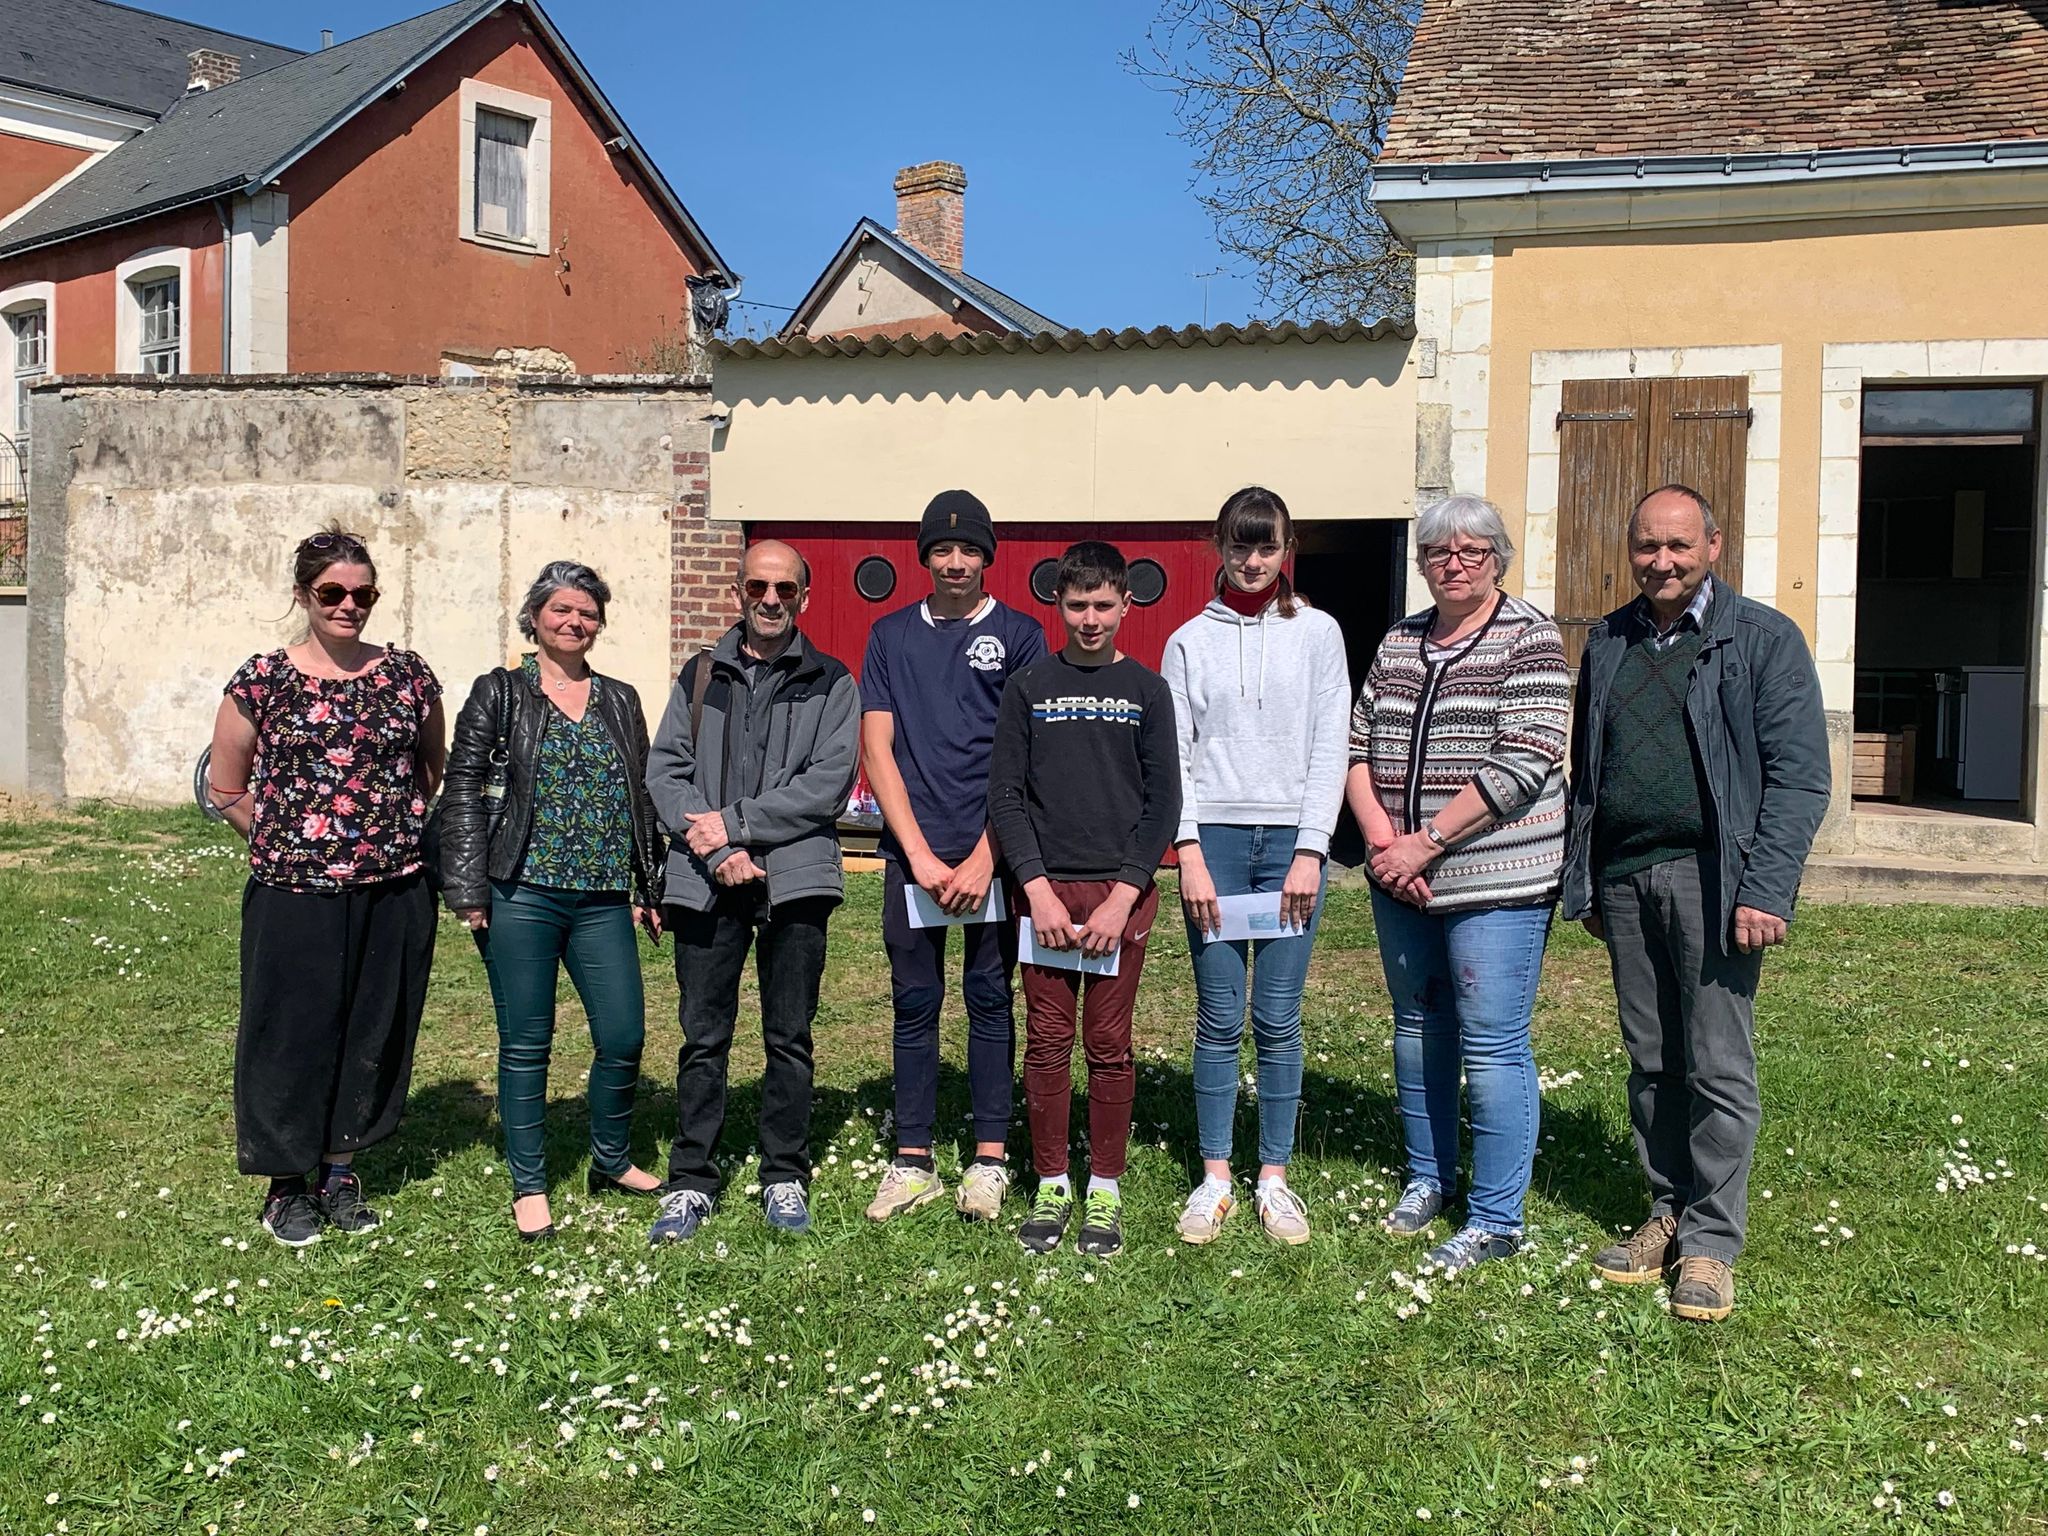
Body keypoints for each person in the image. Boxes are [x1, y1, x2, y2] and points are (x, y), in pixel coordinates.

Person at [1563, 484, 1829, 1323]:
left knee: (1716, 1063)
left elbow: (1798, 776)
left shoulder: (1761, 639)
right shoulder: (1608, 641)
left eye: (1679, 546)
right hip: (1626, 878)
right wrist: (1588, 876)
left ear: (1714, 545)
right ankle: (1667, 1208)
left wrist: (1765, 888)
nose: (1662, 561)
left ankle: (1712, 1244)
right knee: (1652, 1061)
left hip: (1715, 879)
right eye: (1648, 546)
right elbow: (1587, 770)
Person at [1345, 495, 1570, 1274]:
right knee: (1418, 1027)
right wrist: (1383, 844)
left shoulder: (1530, 638)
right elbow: (1357, 742)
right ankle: (1428, 1177)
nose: (1455, 564)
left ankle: (1497, 1218)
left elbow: (1525, 759)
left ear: (1499, 559)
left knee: (1494, 1042)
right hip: (1397, 876)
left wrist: (1427, 843)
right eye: (1440, 552)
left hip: (1496, 875)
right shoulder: (1402, 639)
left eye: (1474, 552)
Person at [206, 527, 445, 1247]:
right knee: (289, 1033)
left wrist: (378, 833)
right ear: (303, 596)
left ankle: (340, 1171)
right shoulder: (263, 680)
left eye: (362, 593)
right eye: (332, 593)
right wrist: (286, 840)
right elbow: (226, 785)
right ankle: (286, 1186)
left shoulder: (408, 677)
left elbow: (430, 771)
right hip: (293, 895)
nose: (349, 606)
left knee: (374, 1026)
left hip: (393, 888)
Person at [438, 562, 669, 1242]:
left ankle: (611, 1159)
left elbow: (642, 797)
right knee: (527, 1043)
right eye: (562, 610)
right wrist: (467, 887)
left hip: (601, 897)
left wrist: (647, 883)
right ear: (535, 616)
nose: (575, 622)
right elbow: (463, 790)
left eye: (588, 612)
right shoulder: (500, 693)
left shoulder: (621, 699)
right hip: (522, 892)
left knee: (624, 1035)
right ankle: (530, 1185)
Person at [643, 538, 860, 1243]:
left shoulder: (834, 681)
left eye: (785, 590)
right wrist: (719, 849)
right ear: (736, 592)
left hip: (795, 879)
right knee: (703, 1038)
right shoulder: (701, 676)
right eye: (758, 588)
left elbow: (825, 786)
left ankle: (783, 1174)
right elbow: (666, 772)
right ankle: (692, 1180)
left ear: (806, 597)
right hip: (708, 881)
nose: (771, 601)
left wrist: (732, 827)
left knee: (788, 1037)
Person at [1162, 487, 1350, 1247]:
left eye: (1265, 546)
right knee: (1217, 1017)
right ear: (1218, 547)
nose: (1251, 561)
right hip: (1217, 845)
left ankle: (1273, 1178)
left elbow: (1331, 742)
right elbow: (1173, 753)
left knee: (1277, 1016)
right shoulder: (1186, 641)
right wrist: (1188, 852)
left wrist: (1312, 849)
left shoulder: (1320, 633)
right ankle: (1215, 1178)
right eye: (1238, 546)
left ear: (1286, 549)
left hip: (1288, 848)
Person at [988, 540, 1180, 1258]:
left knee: (1106, 1041)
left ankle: (1104, 1185)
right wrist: (1035, 889)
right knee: (1045, 1038)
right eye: (1078, 605)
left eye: (1104, 604)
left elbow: (1163, 803)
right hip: (1045, 892)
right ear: (1059, 606)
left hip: (1115, 895)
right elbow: (1006, 796)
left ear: (1126, 605)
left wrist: (1122, 897)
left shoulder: (1148, 691)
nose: (1091, 618)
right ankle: (1050, 1181)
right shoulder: (1029, 687)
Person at [860, 491, 1047, 1224]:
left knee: (990, 998)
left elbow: (1027, 756)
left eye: (970, 549)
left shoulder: (1022, 635)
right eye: (943, 550)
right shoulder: (890, 635)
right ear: (925, 557)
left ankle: (990, 1159)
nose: (956, 562)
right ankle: (912, 1160)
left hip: (992, 855)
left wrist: (983, 856)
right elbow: (877, 746)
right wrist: (918, 854)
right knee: (914, 1002)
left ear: (987, 556)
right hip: (915, 854)